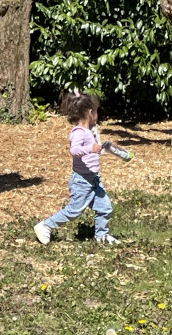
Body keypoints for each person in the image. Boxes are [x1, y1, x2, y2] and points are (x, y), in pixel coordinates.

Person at [34, 90, 119, 245]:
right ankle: (45, 226)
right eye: (96, 112)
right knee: (73, 211)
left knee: (104, 207)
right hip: (81, 181)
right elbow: (74, 150)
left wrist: (108, 148)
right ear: (90, 112)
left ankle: (102, 236)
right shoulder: (78, 132)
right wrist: (90, 149)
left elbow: (95, 148)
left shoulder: (89, 131)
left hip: (93, 178)